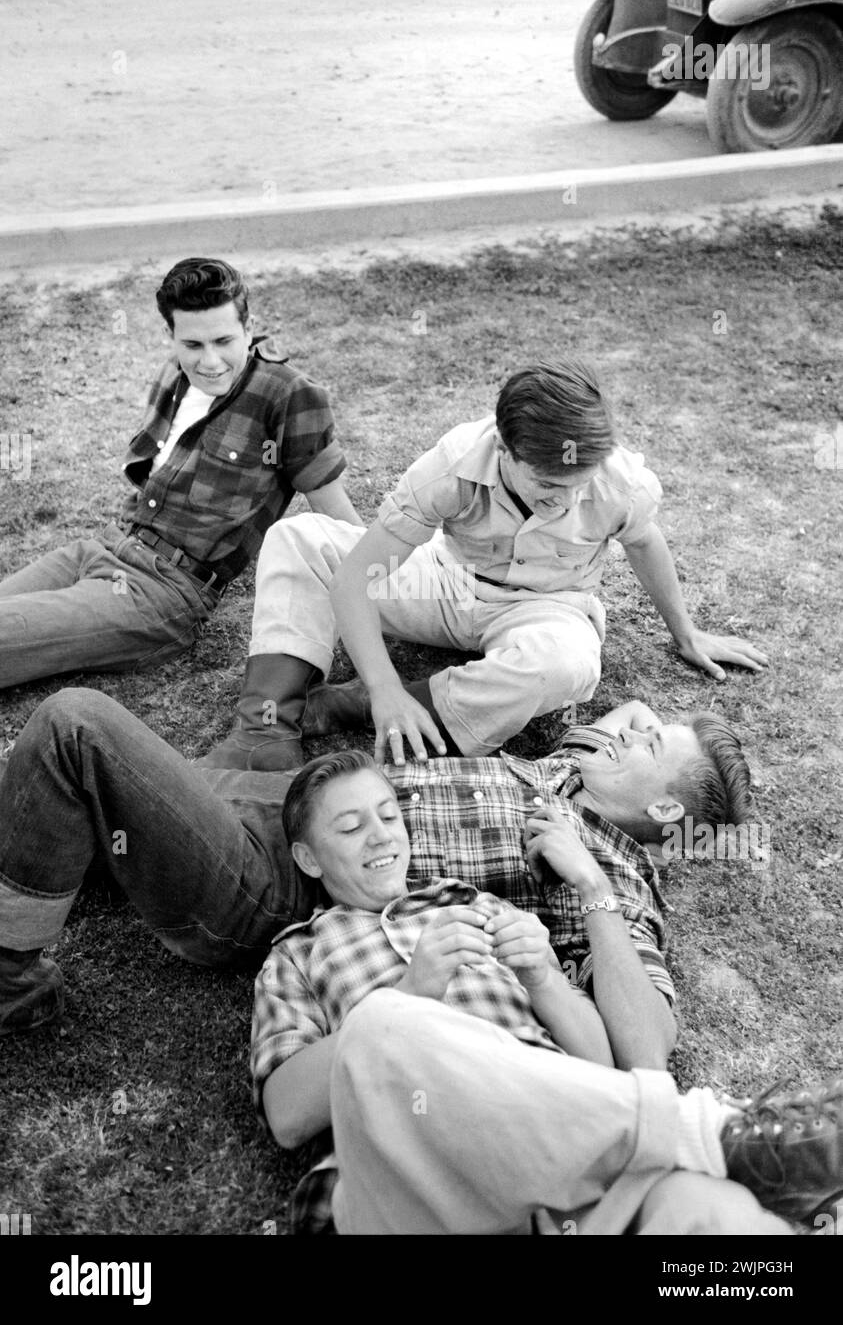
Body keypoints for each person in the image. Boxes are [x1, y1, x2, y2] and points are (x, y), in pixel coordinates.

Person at [252, 749, 840, 1236]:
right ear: (308, 858)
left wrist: (543, 979)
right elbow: (285, 1115)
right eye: (351, 827)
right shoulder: (296, 954)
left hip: (559, 1173)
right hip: (416, 1179)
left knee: (712, 1212)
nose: (381, 835)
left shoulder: (477, 905)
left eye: (388, 815)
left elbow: (607, 1068)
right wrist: (413, 991)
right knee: (384, 1024)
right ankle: (712, 1133)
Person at [0, 692, 744, 1041]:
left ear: (666, 813)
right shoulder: (566, 771)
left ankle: (10, 981)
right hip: (284, 800)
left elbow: (645, 1050)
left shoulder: (618, 878)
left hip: (277, 882)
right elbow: (627, 710)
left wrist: (590, 886)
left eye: (650, 747)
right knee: (37, 792)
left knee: (75, 729)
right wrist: (654, 732)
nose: (629, 735)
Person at [204, 359, 768, 771]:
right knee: (301, 537)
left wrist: (686, 634)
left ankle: (351, 706)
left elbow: (644, 543)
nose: (567, 501)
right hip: (445, 580)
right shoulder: (453, 463)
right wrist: (384, 683)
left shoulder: (620, 480)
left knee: (567, 665)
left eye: (579, 484)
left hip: (548, 608)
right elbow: (355, 578)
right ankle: (264, 733)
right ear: (504, 448)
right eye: (548, 484)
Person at [0, 257, 359, 692]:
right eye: (192, 345)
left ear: (249, 328)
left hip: (163, 592)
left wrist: (396, 587)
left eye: (224, 341)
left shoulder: (288, 394)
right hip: (103, 549)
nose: (210, 361)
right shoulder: (173, 375)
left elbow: (339, 524)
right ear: (170, 335)